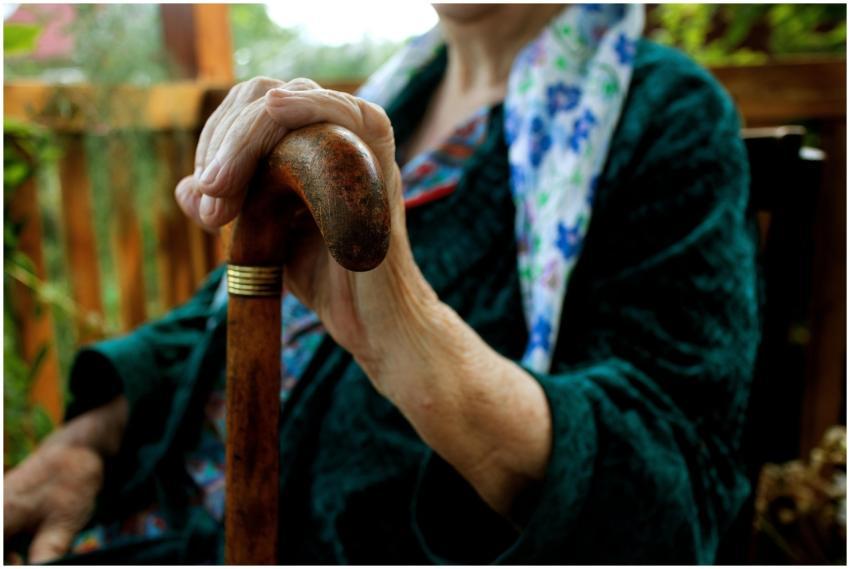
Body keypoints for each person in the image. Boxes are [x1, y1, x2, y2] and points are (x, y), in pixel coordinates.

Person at [4, 4, 759, 564]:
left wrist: (414, 334)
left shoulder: (662, 116)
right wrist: (86, 438)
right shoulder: (396, 93)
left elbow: (676, 493)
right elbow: (225, 307)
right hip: (153, 506)